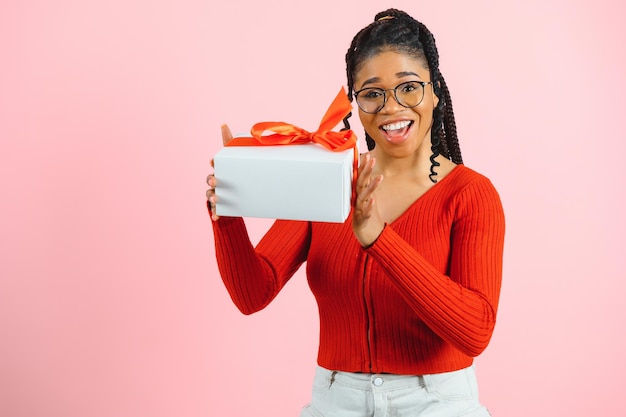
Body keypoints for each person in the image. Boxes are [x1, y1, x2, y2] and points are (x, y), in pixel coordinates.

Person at [206, 8, 505, 417]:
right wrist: (229, 212)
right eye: (372, 92)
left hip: (435, 402)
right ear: (356, 103)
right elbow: (252, 294)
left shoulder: (470, 194)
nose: (391, 107)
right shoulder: (327, 180)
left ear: (435, 92)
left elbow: (475, 332)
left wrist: (379, 239)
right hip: (335, 400)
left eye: (409, 87)